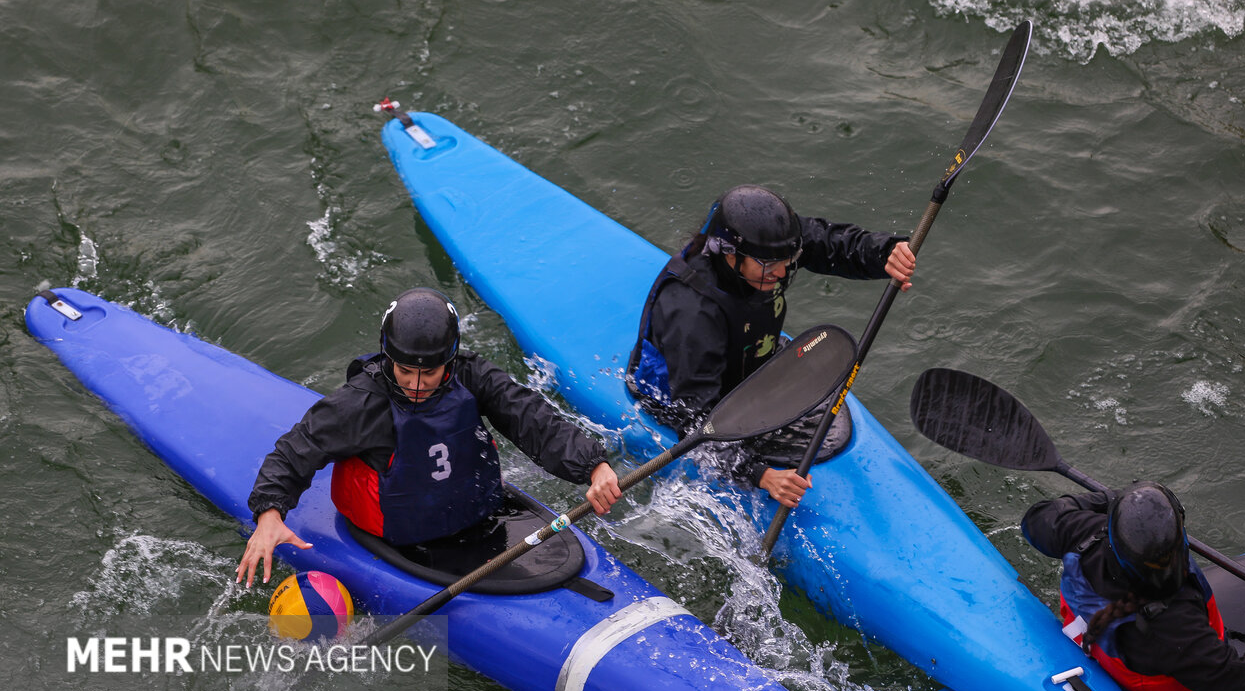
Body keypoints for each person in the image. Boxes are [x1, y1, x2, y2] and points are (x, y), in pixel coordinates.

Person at [237, 287, 622, 586]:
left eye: (430, 372)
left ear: (449, 360)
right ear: (388, 356)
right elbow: (294, 452)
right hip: (398, 541)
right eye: (404, 370)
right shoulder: (359, 405)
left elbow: (532, 417)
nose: (416, 384)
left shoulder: (471, 375)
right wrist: (270, 514)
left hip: (480, 518)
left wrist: (593, 465)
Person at [625, 184, 916, 508]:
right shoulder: (692, 313)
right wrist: (761, 476)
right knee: (693, 415)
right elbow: (695, 423)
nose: (781, 271)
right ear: (729, 254)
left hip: (747, 363)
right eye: (768, 264)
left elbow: (829, 243)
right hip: (682, 399)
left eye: (787, 260)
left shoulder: (769, 249)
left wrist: (885, 253)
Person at [1022, 481, 1245, 691]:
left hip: (1105, 653)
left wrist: (1116, 501)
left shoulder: (1085, 533)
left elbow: (1038, 517)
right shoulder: (1173, 625)